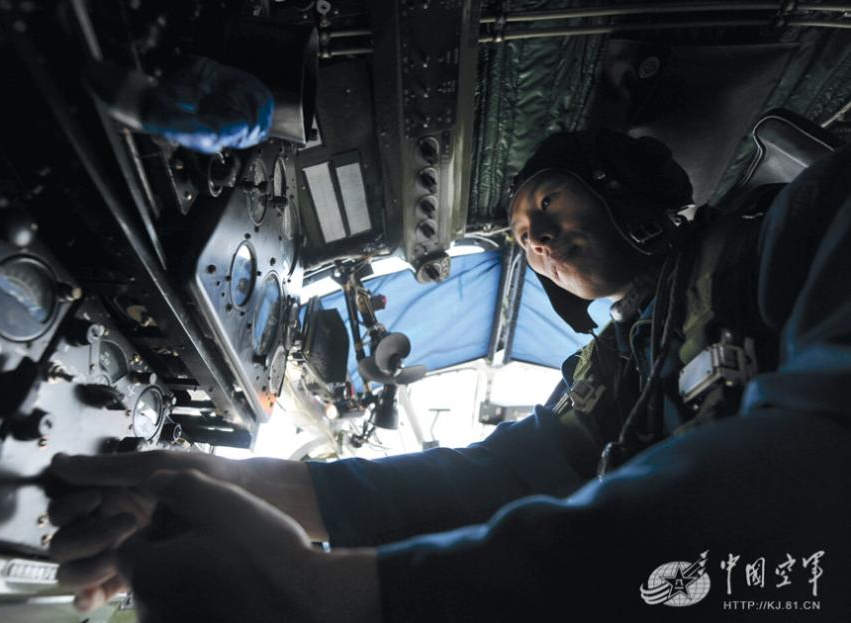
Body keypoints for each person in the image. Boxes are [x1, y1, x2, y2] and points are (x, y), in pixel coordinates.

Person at [47, 129, 851, 621]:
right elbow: (493, 477)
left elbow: (819, 496)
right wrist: (218, 477)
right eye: (522, 236)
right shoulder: (613, 363)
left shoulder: (800, 224)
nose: (533, 239)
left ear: (620, 190)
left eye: (546, 203)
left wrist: (350, 600)